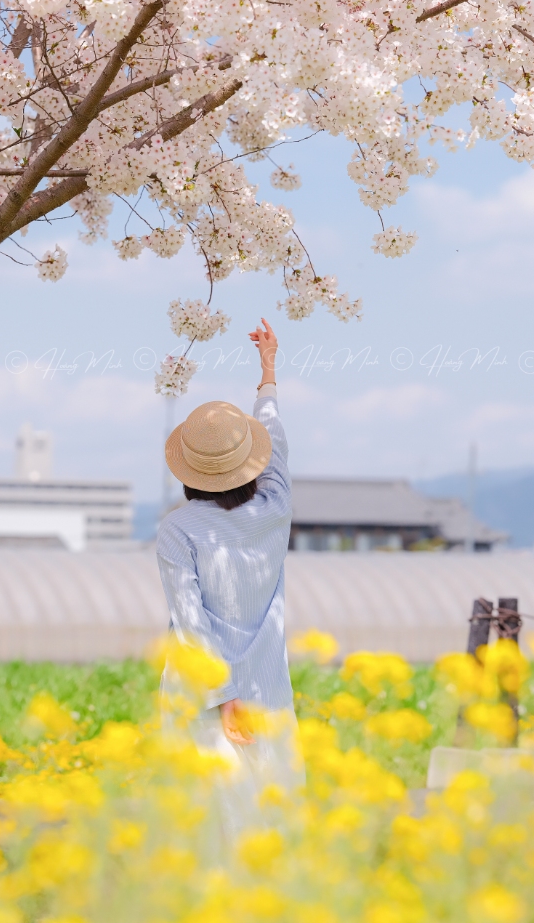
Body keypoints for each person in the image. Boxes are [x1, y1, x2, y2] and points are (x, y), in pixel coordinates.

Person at [155, 318, 302, 830]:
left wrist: (222, 697)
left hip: (202, 698)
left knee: (208, 824)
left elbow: (191, 623)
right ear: (251, 462)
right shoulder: (275, 506)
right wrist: (268, 371)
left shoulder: (179, 529)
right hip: (268, 690)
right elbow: (276, 439)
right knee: (272, 817)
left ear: (189, 469)